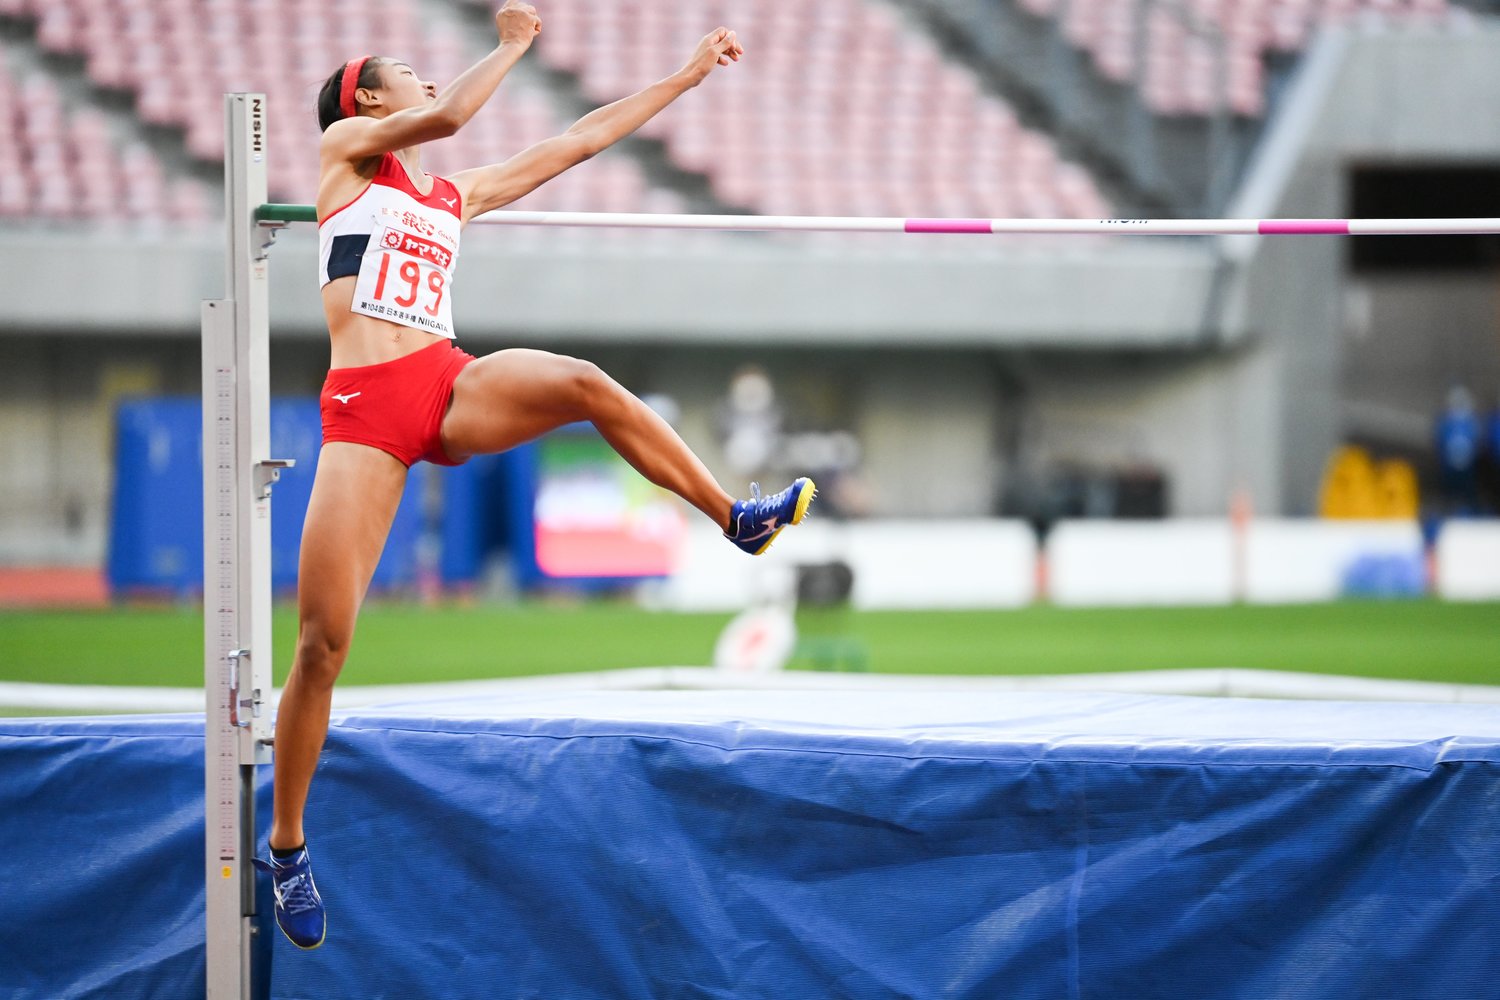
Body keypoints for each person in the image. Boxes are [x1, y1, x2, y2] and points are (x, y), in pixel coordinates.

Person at [253, 3, 816, 951]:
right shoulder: (349, 151)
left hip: (444, 380)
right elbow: (443, 119)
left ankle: (735, 516)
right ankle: (288, 846)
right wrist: (512, 43)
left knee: (587, 384)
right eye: (406, 70)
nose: (426, 80)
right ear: (367, 97)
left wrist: (684, 78)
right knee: (322, 645)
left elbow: (578, 141)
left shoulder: (449, 196)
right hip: (363, 408)